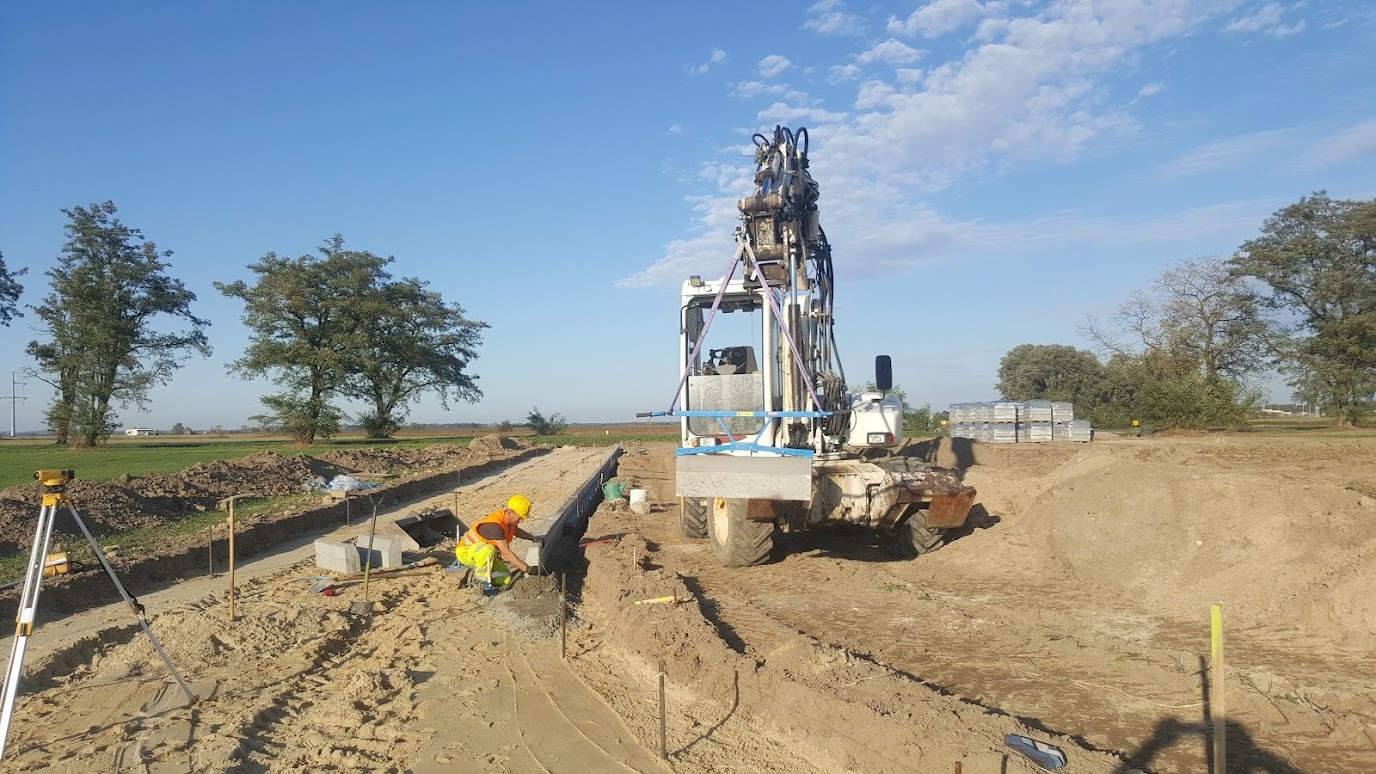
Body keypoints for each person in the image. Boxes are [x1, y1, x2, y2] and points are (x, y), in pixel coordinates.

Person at [455, 494, 539, 591]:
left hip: (485, 556)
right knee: (488, 549)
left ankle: (471, 575)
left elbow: (516, 531)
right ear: (510, 513)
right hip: (466, 552)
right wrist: (527, 569)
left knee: (506, 578)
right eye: (519, 518)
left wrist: (532, 538)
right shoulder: (495, 526)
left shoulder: (510, 523)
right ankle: (480, 582)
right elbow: (506, 552)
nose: (521, 521)